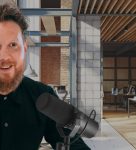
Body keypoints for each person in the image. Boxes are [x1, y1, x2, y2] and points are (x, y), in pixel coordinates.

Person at [0, 2, 90, 150]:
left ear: (25, 48)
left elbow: (75, 144)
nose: (4, 57)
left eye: (13, 45)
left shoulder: (43, 96)